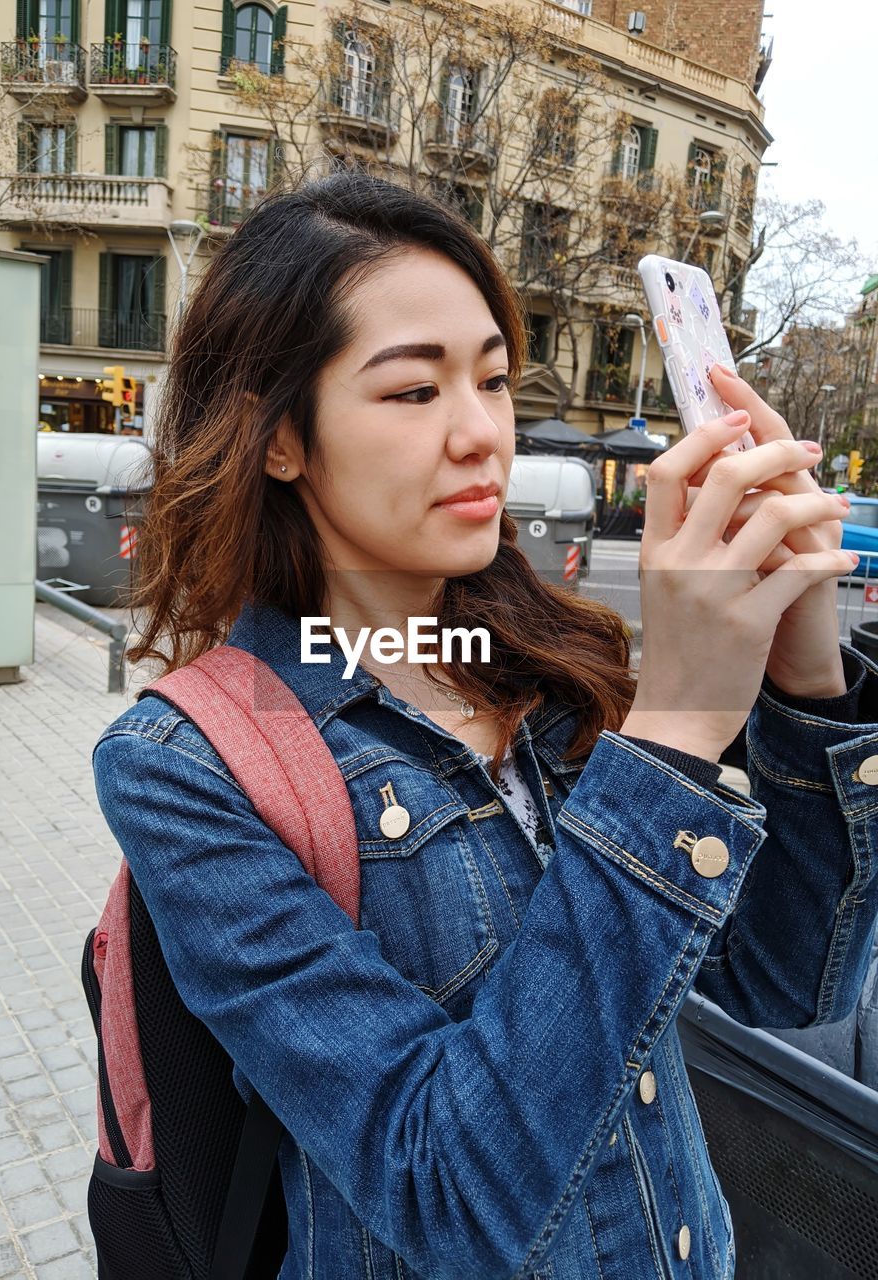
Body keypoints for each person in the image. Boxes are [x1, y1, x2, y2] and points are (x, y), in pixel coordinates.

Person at [92, 171, 878, 1280]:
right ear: (281, 439)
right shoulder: (193, 766)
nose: (482, 436)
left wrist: (804, 677)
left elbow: (781, 988)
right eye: (414, 392)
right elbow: (443, 1186)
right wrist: (680, 728)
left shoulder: (547, 661)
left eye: (496, 380)